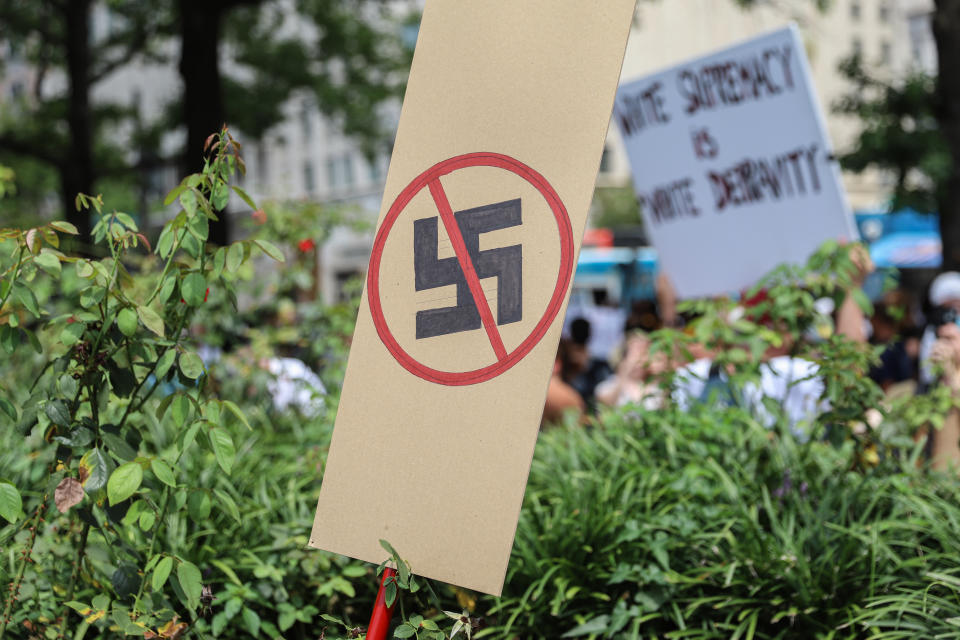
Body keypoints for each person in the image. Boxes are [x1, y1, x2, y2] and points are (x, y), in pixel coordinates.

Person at [595, 331, 668, 410]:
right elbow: (605, 403)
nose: (640, 356)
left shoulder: (657, 385)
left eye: (645, 350)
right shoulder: (611, 384)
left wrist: (659, 373)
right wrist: (625, 371)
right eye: (636, 350)